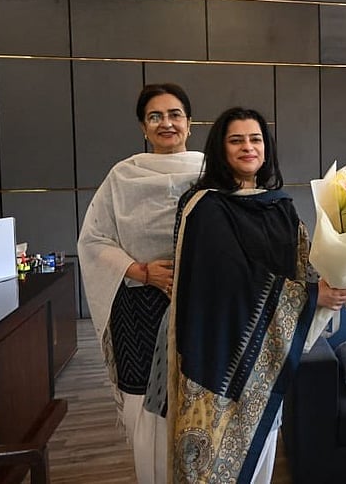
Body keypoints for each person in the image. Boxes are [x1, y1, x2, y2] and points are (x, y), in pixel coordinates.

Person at [165, 107, 346, 483]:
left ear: (266, 148)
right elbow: (227, 279)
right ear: (220, 148)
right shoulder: (205, 206)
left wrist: (341, 281)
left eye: (255, 139)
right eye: (236, 140)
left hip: (267, 356)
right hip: (217, 356)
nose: (247, 148)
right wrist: (310, 297)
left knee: (263, 456)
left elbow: (305, 262)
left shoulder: (280, 206)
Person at [77, 83, 204, 483]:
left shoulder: (211, 172)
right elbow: (93, 239)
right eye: (155, 116)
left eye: (174, 114)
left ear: (189, 123)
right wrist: (140, 270)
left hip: (201, 307)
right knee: (146, 414)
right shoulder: (122, 176)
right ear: (143, 128)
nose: (166, 123)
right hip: (141, 311)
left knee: (200, 403)